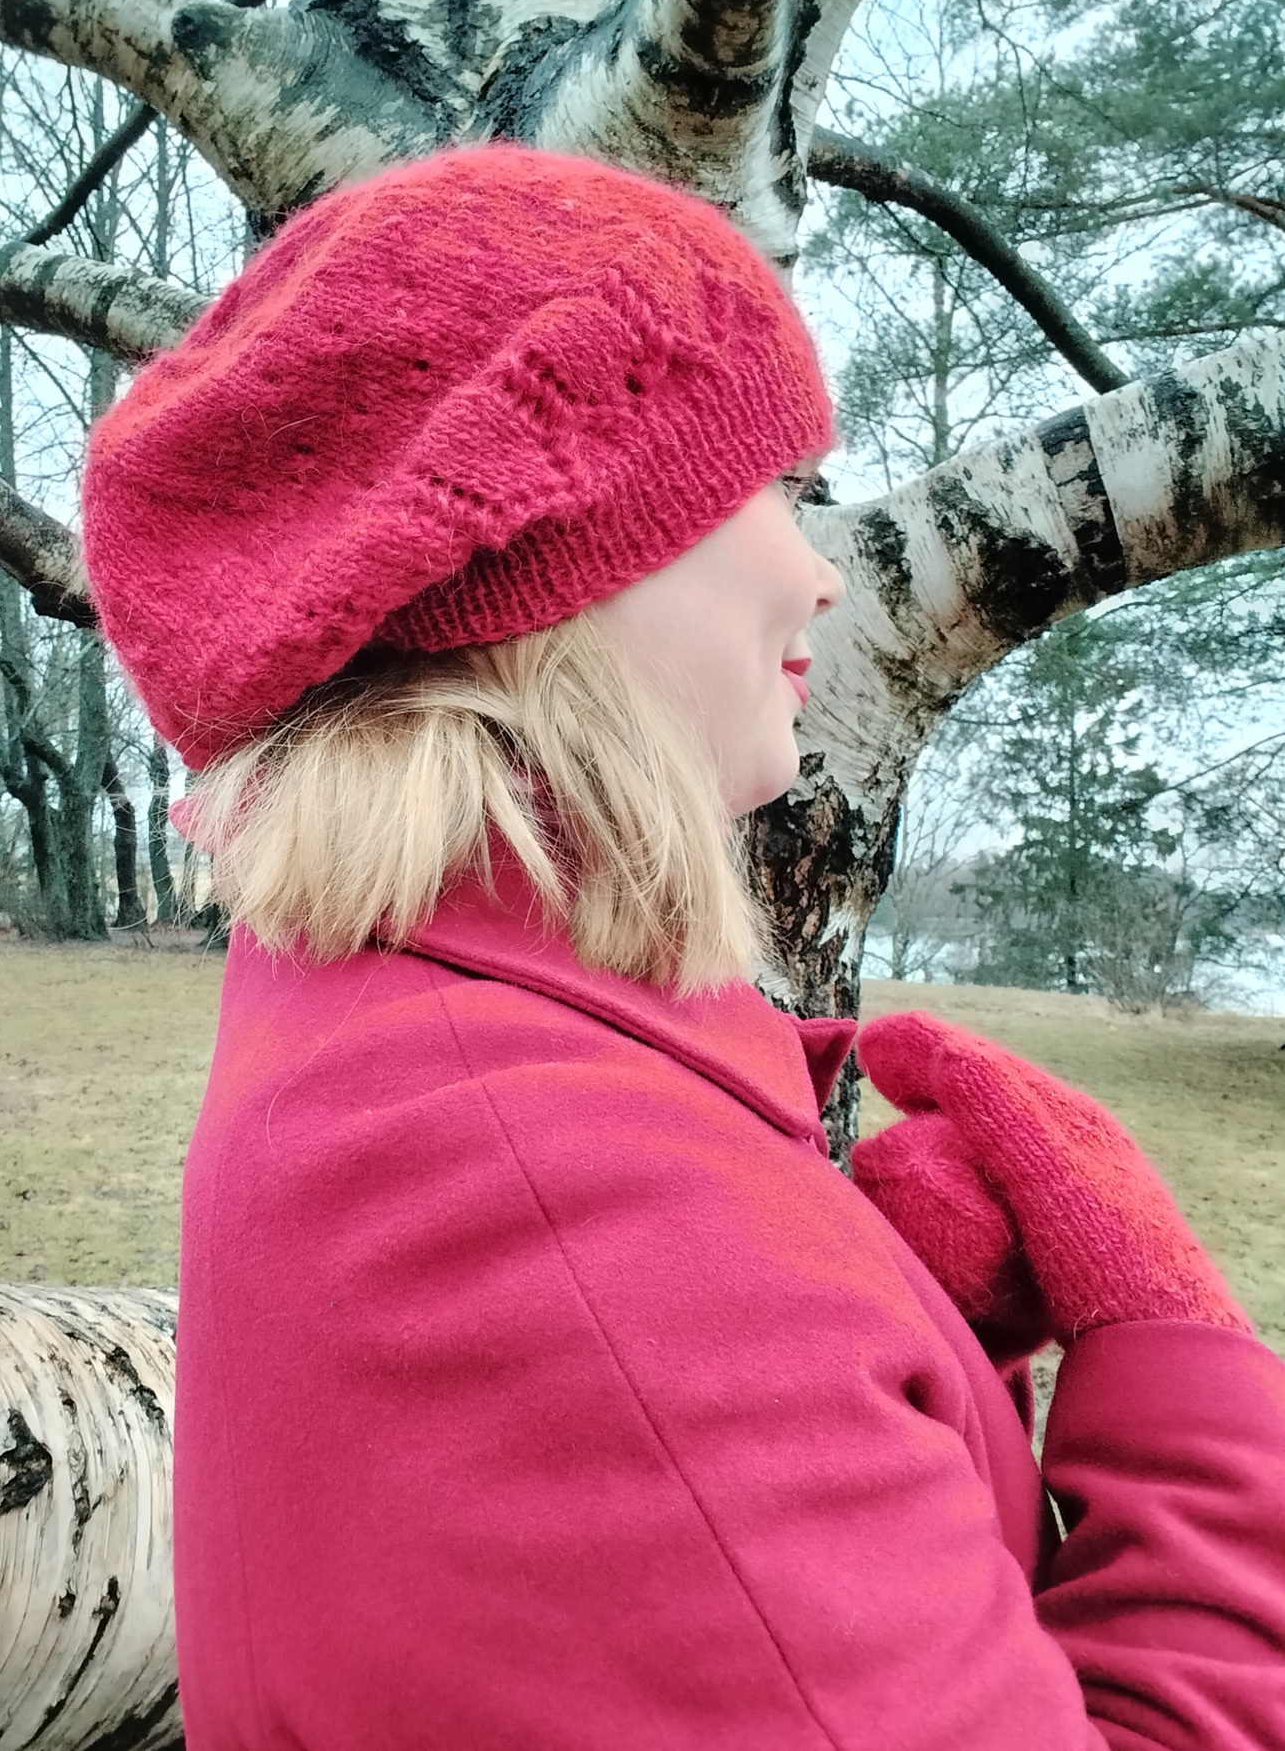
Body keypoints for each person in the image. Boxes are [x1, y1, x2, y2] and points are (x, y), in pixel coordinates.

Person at [82, 142, 1285, 1749]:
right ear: (549, 571)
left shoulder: (409, 1025)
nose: (815, 571)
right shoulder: (563, 1217)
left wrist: (882, 1330)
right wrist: (1177, 1367)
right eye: (772, 491)